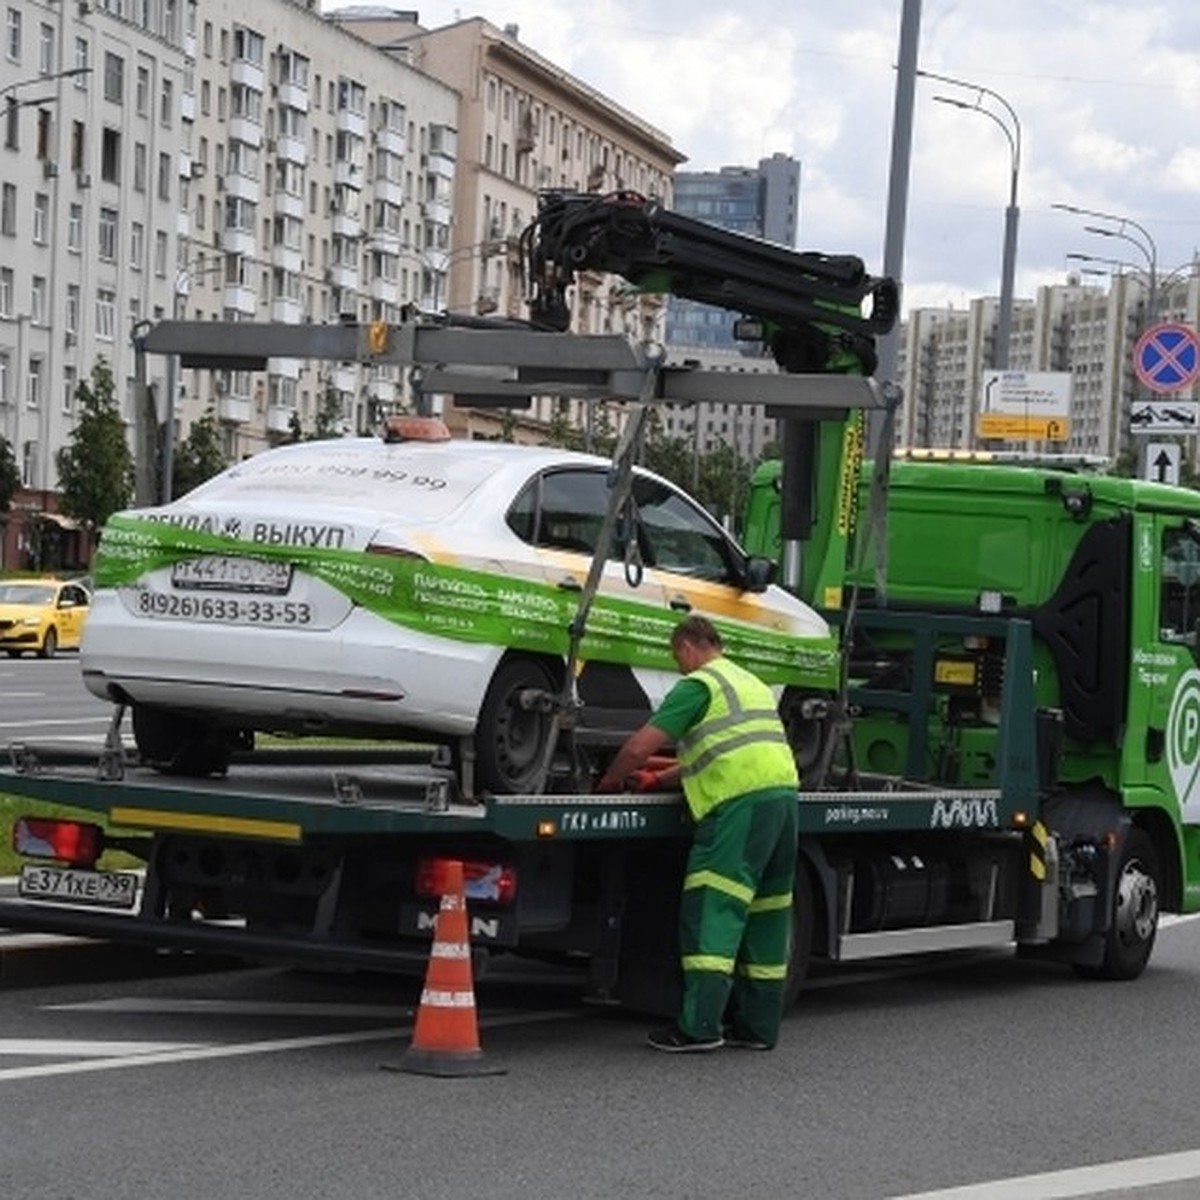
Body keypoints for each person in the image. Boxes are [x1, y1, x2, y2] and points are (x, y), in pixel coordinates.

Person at [595, 615, 800, 1052]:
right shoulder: (750, 683)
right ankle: (758, 1028)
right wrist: (659, 780)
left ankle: (699, 1027)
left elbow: (638, 747)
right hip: (782, 803)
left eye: (676, 658)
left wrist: (611, 782)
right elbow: (720, 752)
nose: (679, 667)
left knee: (712, 912)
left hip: (738, 808)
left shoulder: (698, 686)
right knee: (767, 915)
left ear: (688, 647)